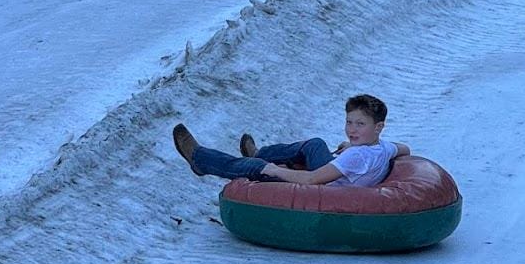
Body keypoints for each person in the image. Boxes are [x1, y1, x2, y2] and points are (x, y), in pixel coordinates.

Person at [172, 93, 410, 186]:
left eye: (360, 124)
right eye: (349, 122)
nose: (352, 130)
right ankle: (261, 152)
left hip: (324, 190)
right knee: (316, 144)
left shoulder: (357, 156)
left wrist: (276, 170)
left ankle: (200, 159)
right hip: (343, 172)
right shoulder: (382, 147)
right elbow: (404, 149)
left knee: (259, 167)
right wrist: (352, 145)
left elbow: (312, 179)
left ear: (378, 127)